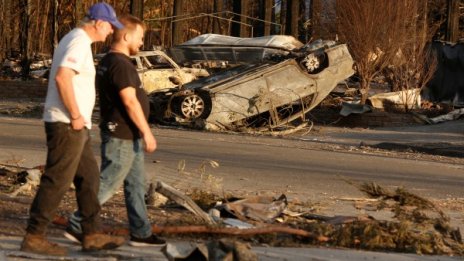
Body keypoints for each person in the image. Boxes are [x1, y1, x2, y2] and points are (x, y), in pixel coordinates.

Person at [20, 2, 126, 256]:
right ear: (99, 23)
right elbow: (62, 77)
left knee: (89, 178)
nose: (111, 32)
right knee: (58, 179)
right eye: (110, 26)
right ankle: (34, 236)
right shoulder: (78, 41)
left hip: (76, 125)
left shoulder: (78, 42)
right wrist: (76, 115)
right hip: (67, 123)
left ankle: (91, 234)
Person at [65, 14, 166, 247]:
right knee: (109, 182)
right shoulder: (120, 64)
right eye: (140, 38)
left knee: (135, 186)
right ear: (128, 36)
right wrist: (147, 132)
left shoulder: (111, 61)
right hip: (122, 134)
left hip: (129, 134)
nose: (142, 43)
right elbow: (129, 101)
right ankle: (78, 223)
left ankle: (141, 232)